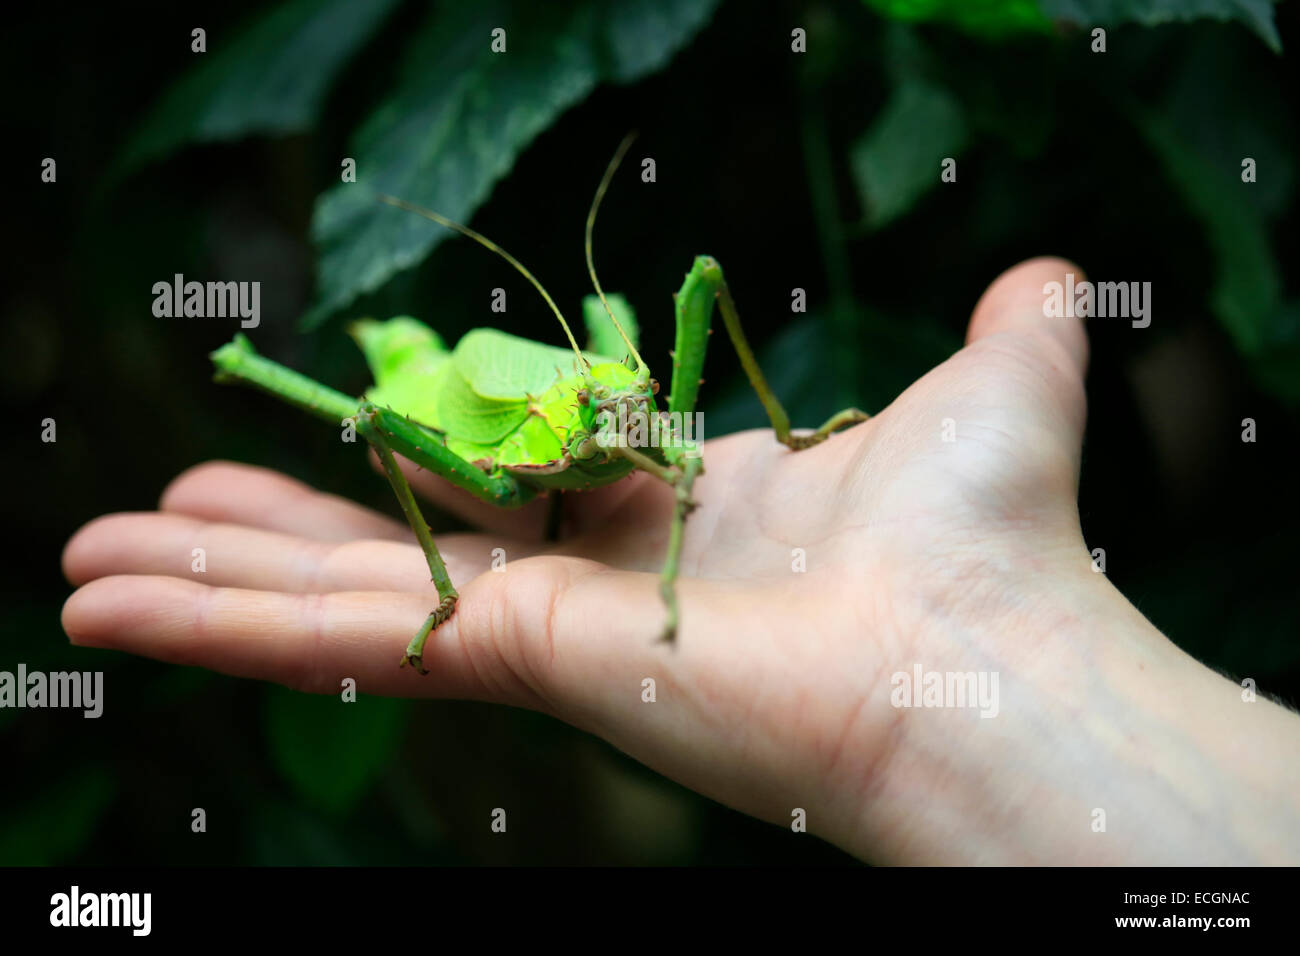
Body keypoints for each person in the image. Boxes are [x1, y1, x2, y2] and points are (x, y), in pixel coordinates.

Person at [61, 258, 1300, 864]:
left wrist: (659, 414)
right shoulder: (505, 460)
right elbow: (415, 445)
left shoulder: (626, 394)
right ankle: (310, 400)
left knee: (678, 290)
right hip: (454, 411)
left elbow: (653, 372)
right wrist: (450, 588)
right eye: (623, 409)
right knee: (369, 399)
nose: (638, 419)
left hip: (557, 396)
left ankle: (782, 413)